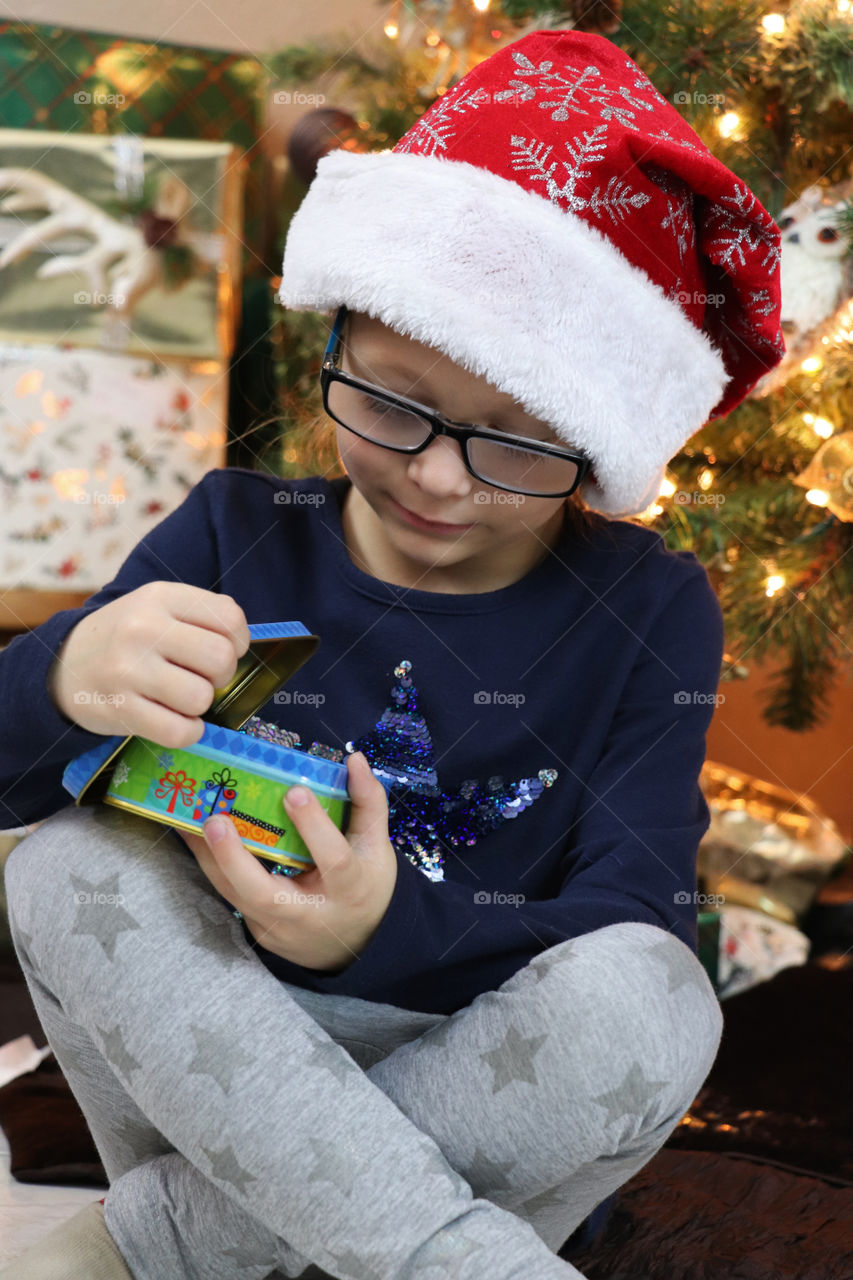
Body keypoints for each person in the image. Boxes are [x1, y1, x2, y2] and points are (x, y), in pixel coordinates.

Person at [0, 27, 783, 1280]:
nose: (432, 475)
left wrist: (377, 929)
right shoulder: (230, 527)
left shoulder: (651, 602)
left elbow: (633, 911)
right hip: (221, 1039)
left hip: (486, 1060)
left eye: (515, 444)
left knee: (659, 994)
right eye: (391, 400)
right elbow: (21, 780)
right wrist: (59, 676)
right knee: (66, 864)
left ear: (599, 449)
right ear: (339, 340)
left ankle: (153, 1245)